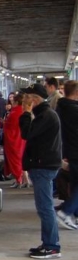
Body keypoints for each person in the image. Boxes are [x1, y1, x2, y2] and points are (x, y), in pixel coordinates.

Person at [20, 84, 63, 258]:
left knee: (45, 208)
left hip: (43, 166)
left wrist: (25, 113)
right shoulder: (44, 114)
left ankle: (52, 246)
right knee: (44, 207)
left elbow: (26, 133)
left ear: (35, 99)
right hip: (43, 164)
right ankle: (49, 243)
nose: (23, 100)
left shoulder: (45, 116)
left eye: (26, 97)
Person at [55, 81, 78, 230]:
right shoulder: (75, 110)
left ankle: (74, 214)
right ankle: (66, 211)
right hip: (76, 150)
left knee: (75, 184)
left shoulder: (60, 108)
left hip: (69, 151)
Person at [4, 91, 29, 188]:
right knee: (21, 159)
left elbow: (10, 127)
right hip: (21, 139)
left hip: (14, 140)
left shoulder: (14, 112)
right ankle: (24, 180)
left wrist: (5, 123)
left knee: (16, 160)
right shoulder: (23, 111)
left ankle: (19, 180)